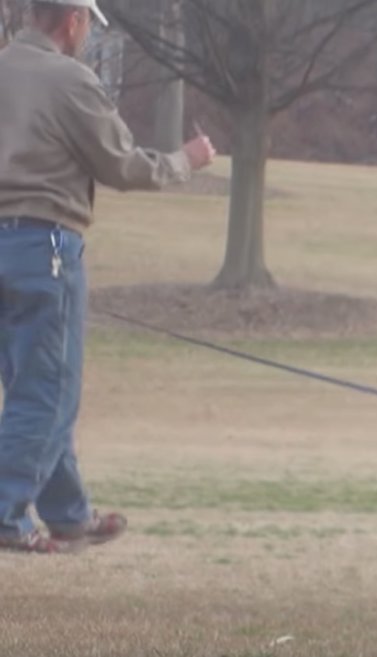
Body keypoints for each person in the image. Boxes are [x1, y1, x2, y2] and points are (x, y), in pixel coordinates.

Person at [0, 0, 216, 553]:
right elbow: (121, 164)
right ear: (73, 20)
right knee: (48, 394)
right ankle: (4, 514)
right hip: (45, 246)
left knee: (33, 386)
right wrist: (186, 161)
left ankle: (68, 513)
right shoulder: (69, 80)